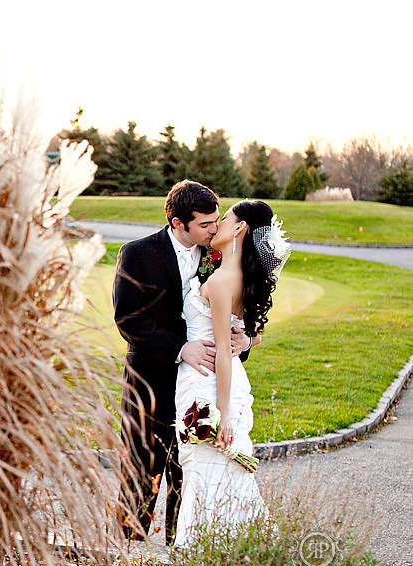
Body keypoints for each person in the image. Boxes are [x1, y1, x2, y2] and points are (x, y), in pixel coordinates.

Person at [113, 180, 251, 545]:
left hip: (198, 388)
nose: (214, 229)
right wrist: (181, 348)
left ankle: (180, 550)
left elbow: (235, 317)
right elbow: (128, 319)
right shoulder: (137, 254)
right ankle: (127, 556)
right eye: (205, 224)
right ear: (177, 223)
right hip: (150, 384)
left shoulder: (218, 255)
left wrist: (245, 339)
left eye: (216, 221)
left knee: (188, 474)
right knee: (141, 469)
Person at [173, 199, 290, 547]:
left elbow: (224, 351)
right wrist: (248, 338)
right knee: (218, 475)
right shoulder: (239, 277)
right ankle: (237, 554)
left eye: (224, 219)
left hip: (211, 384)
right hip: (217, 378)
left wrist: (222, 415)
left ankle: (199, 557)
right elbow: (244, 335)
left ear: (240, 229)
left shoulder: (224, 280)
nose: (217, 225)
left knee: (204, 473)